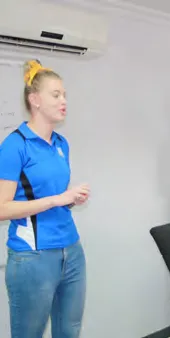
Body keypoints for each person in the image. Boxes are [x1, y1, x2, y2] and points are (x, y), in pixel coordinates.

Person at [0, 59, 90, 338]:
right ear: (35, 99)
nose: (64, 101)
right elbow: (2, 208)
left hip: (71, 251)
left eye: (64, 95)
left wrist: (70, 199)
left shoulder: (61, 144)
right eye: (56, 95)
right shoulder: (15, 145)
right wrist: (57, 199)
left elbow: (49, 194)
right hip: (33, 257)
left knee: (69, 332)